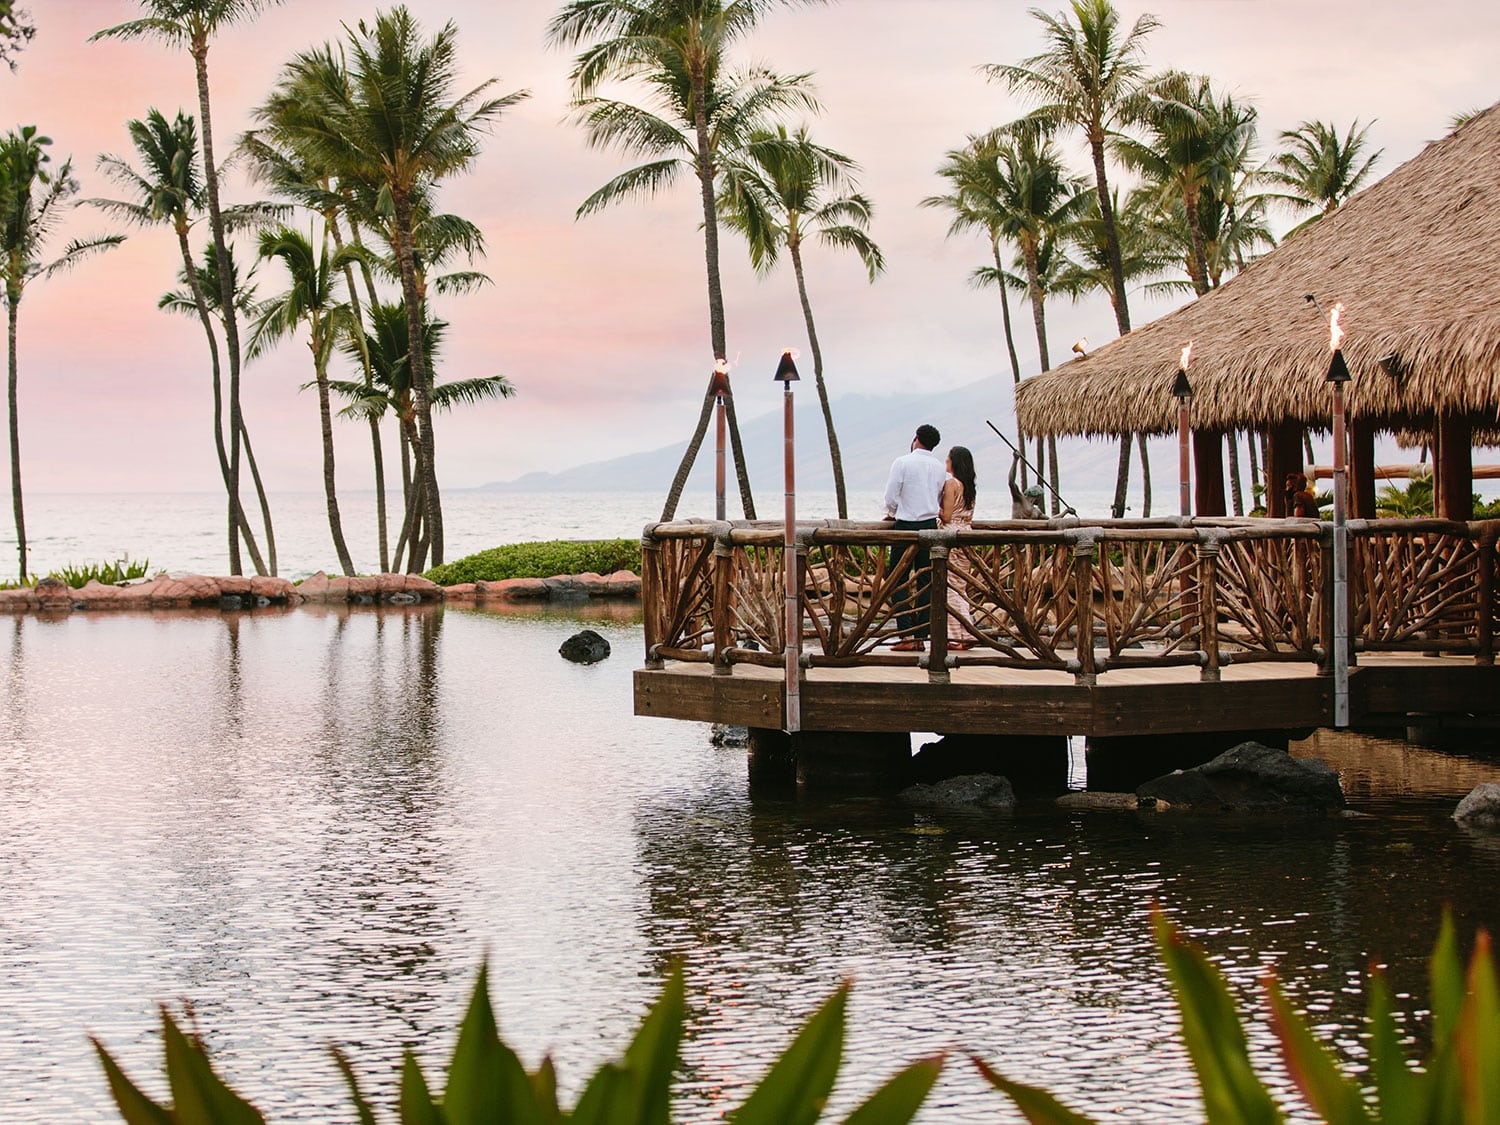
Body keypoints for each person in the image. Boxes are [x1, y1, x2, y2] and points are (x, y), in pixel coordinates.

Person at [883, 423, 947, 651]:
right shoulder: (940, 468)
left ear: (916, 438)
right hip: (929, 528)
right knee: (926, 581)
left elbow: (891, 495)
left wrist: (891, 513)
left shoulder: (902, 462)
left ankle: (906, 635)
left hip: (906, 526)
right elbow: (939, 496)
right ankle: (920, 636)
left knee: (897, 579)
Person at [940, 445, 978, 650]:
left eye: (947, 458)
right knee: (960, 586)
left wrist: (930, 507)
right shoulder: (969, 485)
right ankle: (966, 632)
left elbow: (946, 515)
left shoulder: (951, 484)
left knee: (950, 587)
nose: (945, 461)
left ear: (954, 462)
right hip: (967, 533)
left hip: (951, 535)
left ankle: (958, 636)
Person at [1008, 453, 1045, 519]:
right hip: (1015, 528)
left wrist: (1065, 512)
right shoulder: (1019, 498)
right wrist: (1015, 460)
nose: (1040, 500)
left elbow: (1051, 521)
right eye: (1041, 497)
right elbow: (1011, 482)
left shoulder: (1036, 511)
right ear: (1037, 496)